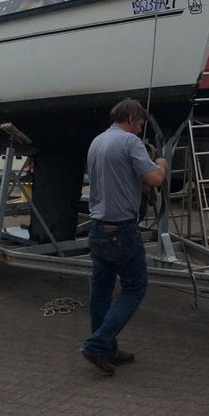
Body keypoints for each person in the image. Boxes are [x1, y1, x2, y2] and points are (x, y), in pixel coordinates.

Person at [80, 98, 167, 374]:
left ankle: (108, 350)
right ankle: (97, 344)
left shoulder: (96, 142)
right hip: (122, 230)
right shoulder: (131, 143)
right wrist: (161, 164)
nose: (141, 130)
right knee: (134, 287)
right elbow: (154, 180)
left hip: (97, 228)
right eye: (140, 124)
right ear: (130, 118)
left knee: (101, 291)